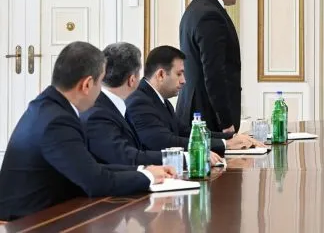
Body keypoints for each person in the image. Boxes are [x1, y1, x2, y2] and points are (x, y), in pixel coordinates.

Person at [0, 41, 173, 221]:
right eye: (100, 83)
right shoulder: (57, 122)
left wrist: (143, 169)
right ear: (87, 85)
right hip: (27, 222)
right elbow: (95, 182)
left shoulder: (49, 106)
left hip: (47, 211)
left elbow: (89, 167)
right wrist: (147, 177)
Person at [125, 45, 257, 160]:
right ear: (161, 75)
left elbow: (185, 132)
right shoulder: (139, 101)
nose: (184, 80)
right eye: (179, 74)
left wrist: (231, 137)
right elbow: (164, 142)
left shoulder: (160, 100)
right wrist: (226, 144)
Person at [176, 0, 245, 135]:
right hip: (207, 114)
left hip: (198, 108)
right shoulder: (211, 15)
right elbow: (214, 72)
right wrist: (226, 122)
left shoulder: (196, 7)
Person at [81, 42, 163, 166]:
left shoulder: (111, 105)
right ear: (132, 80)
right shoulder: (97, 115)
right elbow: (126, 157)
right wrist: (178, 157)